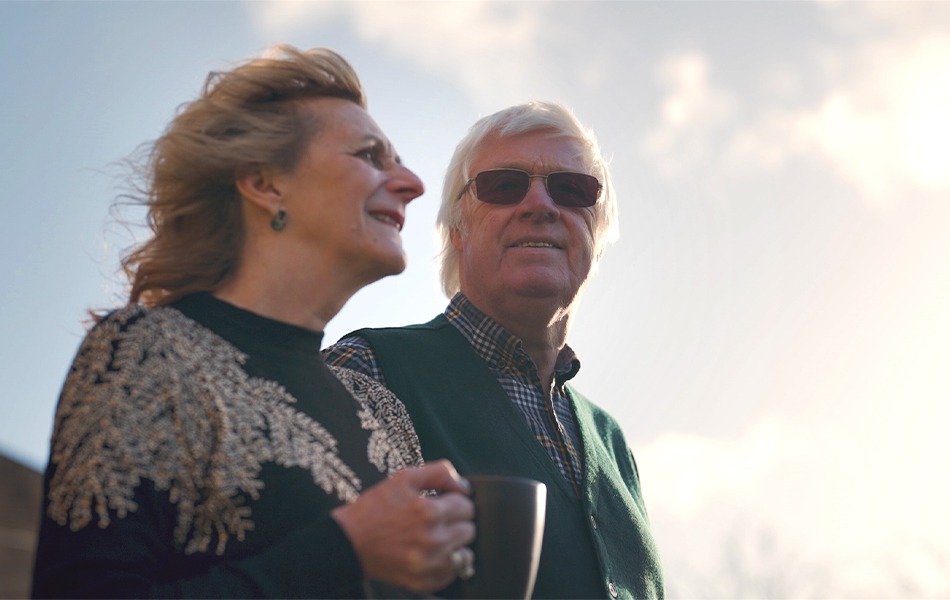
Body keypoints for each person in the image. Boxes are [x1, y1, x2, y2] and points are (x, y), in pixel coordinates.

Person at [31, 45, 477, 598]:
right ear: (265, 183)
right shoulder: (145, 354)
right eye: (370, 155)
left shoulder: (379, 408)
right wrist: (343, 550)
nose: (412, 182)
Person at [324, 101, 664, 599]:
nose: (541, 205)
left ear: (598, 232)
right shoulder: (370, 369)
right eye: (504, 185)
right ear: (457, 229)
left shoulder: (612, 442)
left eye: (571, 189)